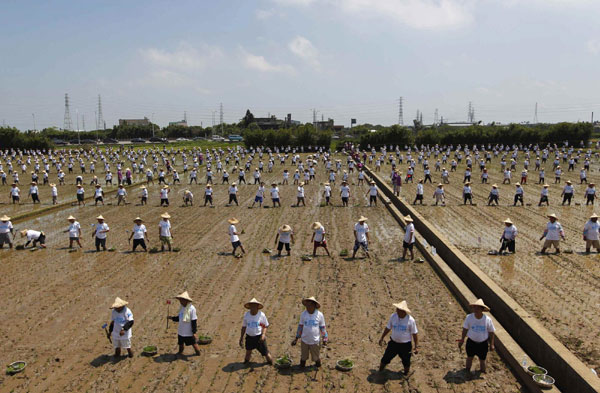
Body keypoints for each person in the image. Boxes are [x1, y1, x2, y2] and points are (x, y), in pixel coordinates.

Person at [378, 301, 419, 375]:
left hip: (405, 345)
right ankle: (380, 371)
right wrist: (382, 337)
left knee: (406, 361)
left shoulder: (411, 320)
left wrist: (416, 347)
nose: (397, 311)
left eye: (399, 310)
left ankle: (406, 373)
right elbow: (388, 328)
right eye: (397, 309)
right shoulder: (393, 316)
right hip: (393, 343)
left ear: (404, 311)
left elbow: (414, 334)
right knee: (385, 358)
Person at [457, 299, 495, 375]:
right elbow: (465, 329)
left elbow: (491, 332)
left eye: (478, 308)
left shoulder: (487, 320)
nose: (476, 309)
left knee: (482, 360)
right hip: (471, 342)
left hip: (483, 344)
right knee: (469, 358)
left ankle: (482, 372)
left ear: (482, 309)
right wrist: (462, 339)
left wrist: (492, 344)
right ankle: (467, 371)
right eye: (475, 307)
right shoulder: (469, 318)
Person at [291, 297, 328, 368]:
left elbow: (322, 328)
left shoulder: (319, 315)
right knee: (303, 357)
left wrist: (325, 339)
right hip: (304, 340)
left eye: (310, 305)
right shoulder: (303, 314)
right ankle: (301, 368)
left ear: (314, 306)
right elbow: (300, 327)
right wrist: (296, 338)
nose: (308, 307)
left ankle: (318, 367)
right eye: (307, 305)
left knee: (316, 357)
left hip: (315, 341)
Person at [239, 298, 273, 365]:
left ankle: (270, 363)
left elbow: (265, 325)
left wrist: (263, 335)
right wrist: (241, 338)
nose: (253, 308)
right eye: (251, 306)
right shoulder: (246, 315)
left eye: (254, 306)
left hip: (259, 337)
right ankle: (246, 363)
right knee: (248, 352)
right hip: (249, 337)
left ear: (257, 307)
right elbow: (244, 327)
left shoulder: (261, 315)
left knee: (266, 353)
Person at [167, 291, 201, 356]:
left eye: (182, 300)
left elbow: (194, 321)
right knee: (180, 343)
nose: (180, 302)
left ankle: (198, 353)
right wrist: (171, 318)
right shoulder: (182, 307)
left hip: (188, 331)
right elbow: (179, 318)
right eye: (180, 300)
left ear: (186, 300)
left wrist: (194, 332)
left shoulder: (192, 309)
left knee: (194, 343)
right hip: (181, 330)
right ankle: (180, 352)